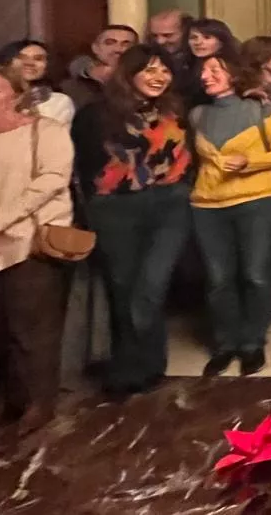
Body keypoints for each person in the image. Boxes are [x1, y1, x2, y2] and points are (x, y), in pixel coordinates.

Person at [0, 67, 73, 434]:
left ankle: (40, 403)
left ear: (17, 94)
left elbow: (51, 182)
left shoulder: (45, 131)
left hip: (28, 243)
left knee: (31, 332)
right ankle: (10, 400)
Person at [70, 46, 193, 395]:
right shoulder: (95, 115)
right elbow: (83, 168)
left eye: (164, 70)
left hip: (169, 206)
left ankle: (146, 363)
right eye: (150, 70)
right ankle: (135, 366)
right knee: (123, 288)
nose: (159, 77)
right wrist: (88, 212)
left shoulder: (176, 110)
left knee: (151, 286)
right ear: (129, 73)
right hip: (115, 208)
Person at [188, 50, 271, 378]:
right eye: (203, 71)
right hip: (207, 205)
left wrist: (250, 162)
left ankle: (252, 344)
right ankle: (225, 345)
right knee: (218, 279)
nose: (205, 76)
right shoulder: (197, 115)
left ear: (233, 73)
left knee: (256, 275)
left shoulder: (264, 109)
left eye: (214, 69)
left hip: (257, 201)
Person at [0, 40, 74, 125]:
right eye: (21, 57)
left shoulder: (58, 101)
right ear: (6, 61)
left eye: (38, 59)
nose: (29, 63)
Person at [63, 24, 139, 108]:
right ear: (95, 48)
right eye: (110, 43)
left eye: (126, 44)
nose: (118, 49)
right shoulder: (71, 87)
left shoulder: (143, 83)